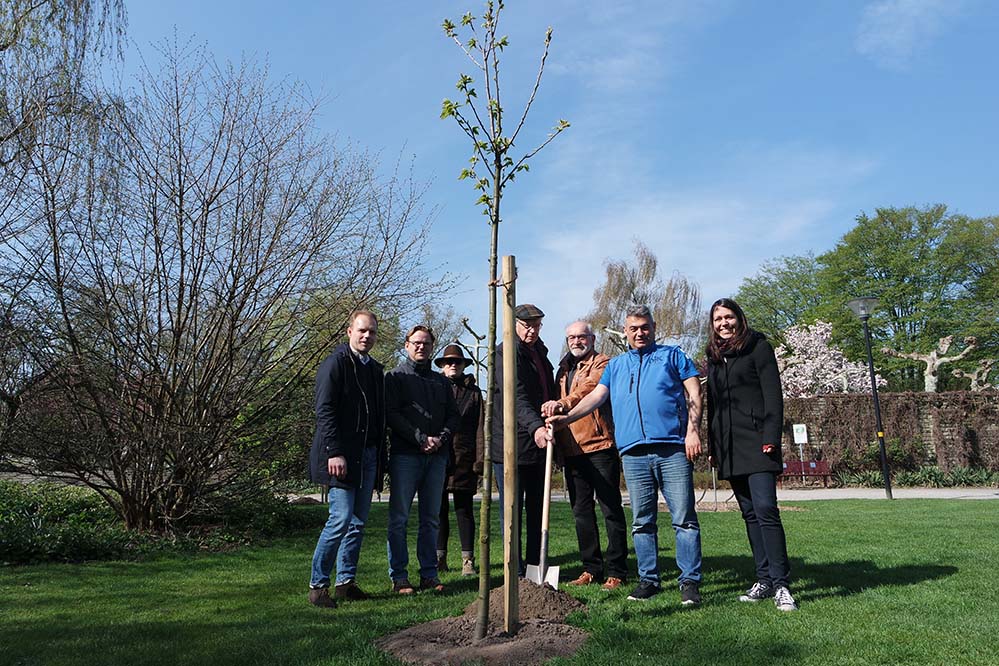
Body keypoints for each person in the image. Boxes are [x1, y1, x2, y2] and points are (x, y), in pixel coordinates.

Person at [548, 305, 704, 605]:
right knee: (642, 521)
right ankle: (649, 580)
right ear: (626, 331)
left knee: (683, 519)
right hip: (633, 453)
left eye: (644, 327)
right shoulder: (617, 366)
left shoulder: (673, 356)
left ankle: (689, 582)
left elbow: (694, 392)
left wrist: (693, 431)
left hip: (671, 448)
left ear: (653, 327)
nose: (639, 333)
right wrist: (567, 418)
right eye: (633, 328)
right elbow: (596, 396)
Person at [705, 298, 797, 612]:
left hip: (758, 442)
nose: (723, 324)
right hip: (730, 447)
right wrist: (714, 447)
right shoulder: (714, 356)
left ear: (739, 318)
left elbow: (773, 396)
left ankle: (782, 583)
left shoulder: (759, 347)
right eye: (717, 319)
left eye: (728, 317)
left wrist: (770, 437)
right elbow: (713, 406)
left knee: (766, 509)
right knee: (749, 514)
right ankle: (763, 579)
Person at [541, 321, 629, 590]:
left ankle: (617, 570)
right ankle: (591, 567)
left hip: (600, 446)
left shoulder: (603, 363)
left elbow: (590, 389)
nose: (576, 341)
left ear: (592, 338)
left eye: (581, 336)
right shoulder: (563, 369)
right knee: (581, 512)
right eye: (571, 337)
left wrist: (562, 404)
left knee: (610, 509)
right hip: (572, 450)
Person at [308, 310, 385, 608]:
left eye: (372, 332)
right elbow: (324, 410)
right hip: (341, 456)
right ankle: (318, 585)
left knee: (357, 522)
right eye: (362, 330)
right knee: (339, 519)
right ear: (349, 331)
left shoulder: (375, 370)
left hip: (368, 455)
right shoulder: (335, 364)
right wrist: (334, 451)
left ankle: (346, 582)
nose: (367, 336)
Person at [385, 325, 460, 594]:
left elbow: (454, 416)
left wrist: (441, 437)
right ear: (406, 345)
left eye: (426, 344)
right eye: (416, 343)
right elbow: (392, 415)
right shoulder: (394, 377)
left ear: (432, 348)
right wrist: (419, 438)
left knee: (431, 518)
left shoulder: (440, 382)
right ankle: (399, 577)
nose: (421, 347)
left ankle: (429, 574)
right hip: (406, 456)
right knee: (399, 518)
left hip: (436, 458)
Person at [492, 303, 555, 574]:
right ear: (514, 325)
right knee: (512, 513)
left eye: (537, 325)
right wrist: (536, 427)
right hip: (511, 445)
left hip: (539, 446)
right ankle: (514, 571)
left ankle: (534, 567)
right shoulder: (506, 353)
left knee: (538, 511)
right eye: (527, 325)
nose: (532, 330)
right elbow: (514, 397)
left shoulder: (540, 353)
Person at [434, 344, 484, 576]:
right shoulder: (434, 388)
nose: (453, 365)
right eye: (448, 362)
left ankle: (467, 561)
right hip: (437, 457)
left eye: (457, 362)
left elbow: (481, 428)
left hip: (465, 458)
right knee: (438, 510)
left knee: (464, 511)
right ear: (442, 366)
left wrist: (480, 460)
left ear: (464, 365)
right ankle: (439, 558)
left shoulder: (475, 394)